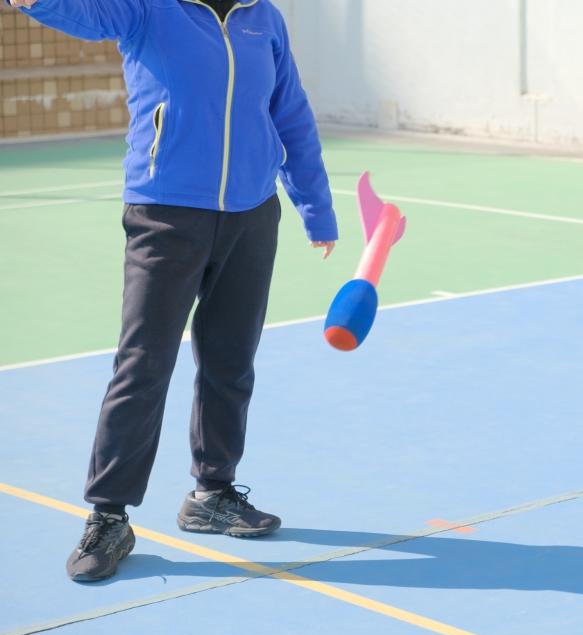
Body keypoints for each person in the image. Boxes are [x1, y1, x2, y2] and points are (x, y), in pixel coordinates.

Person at [8, 0, 338, 582]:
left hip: (252, 215)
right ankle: (109, 515)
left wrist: (316, 206)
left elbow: (288, 110)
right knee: (143, 364)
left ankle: (213, 493)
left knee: (231, 360)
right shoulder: (151, 9)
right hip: (165, 213)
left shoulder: (263, 17)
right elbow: (86, 12)